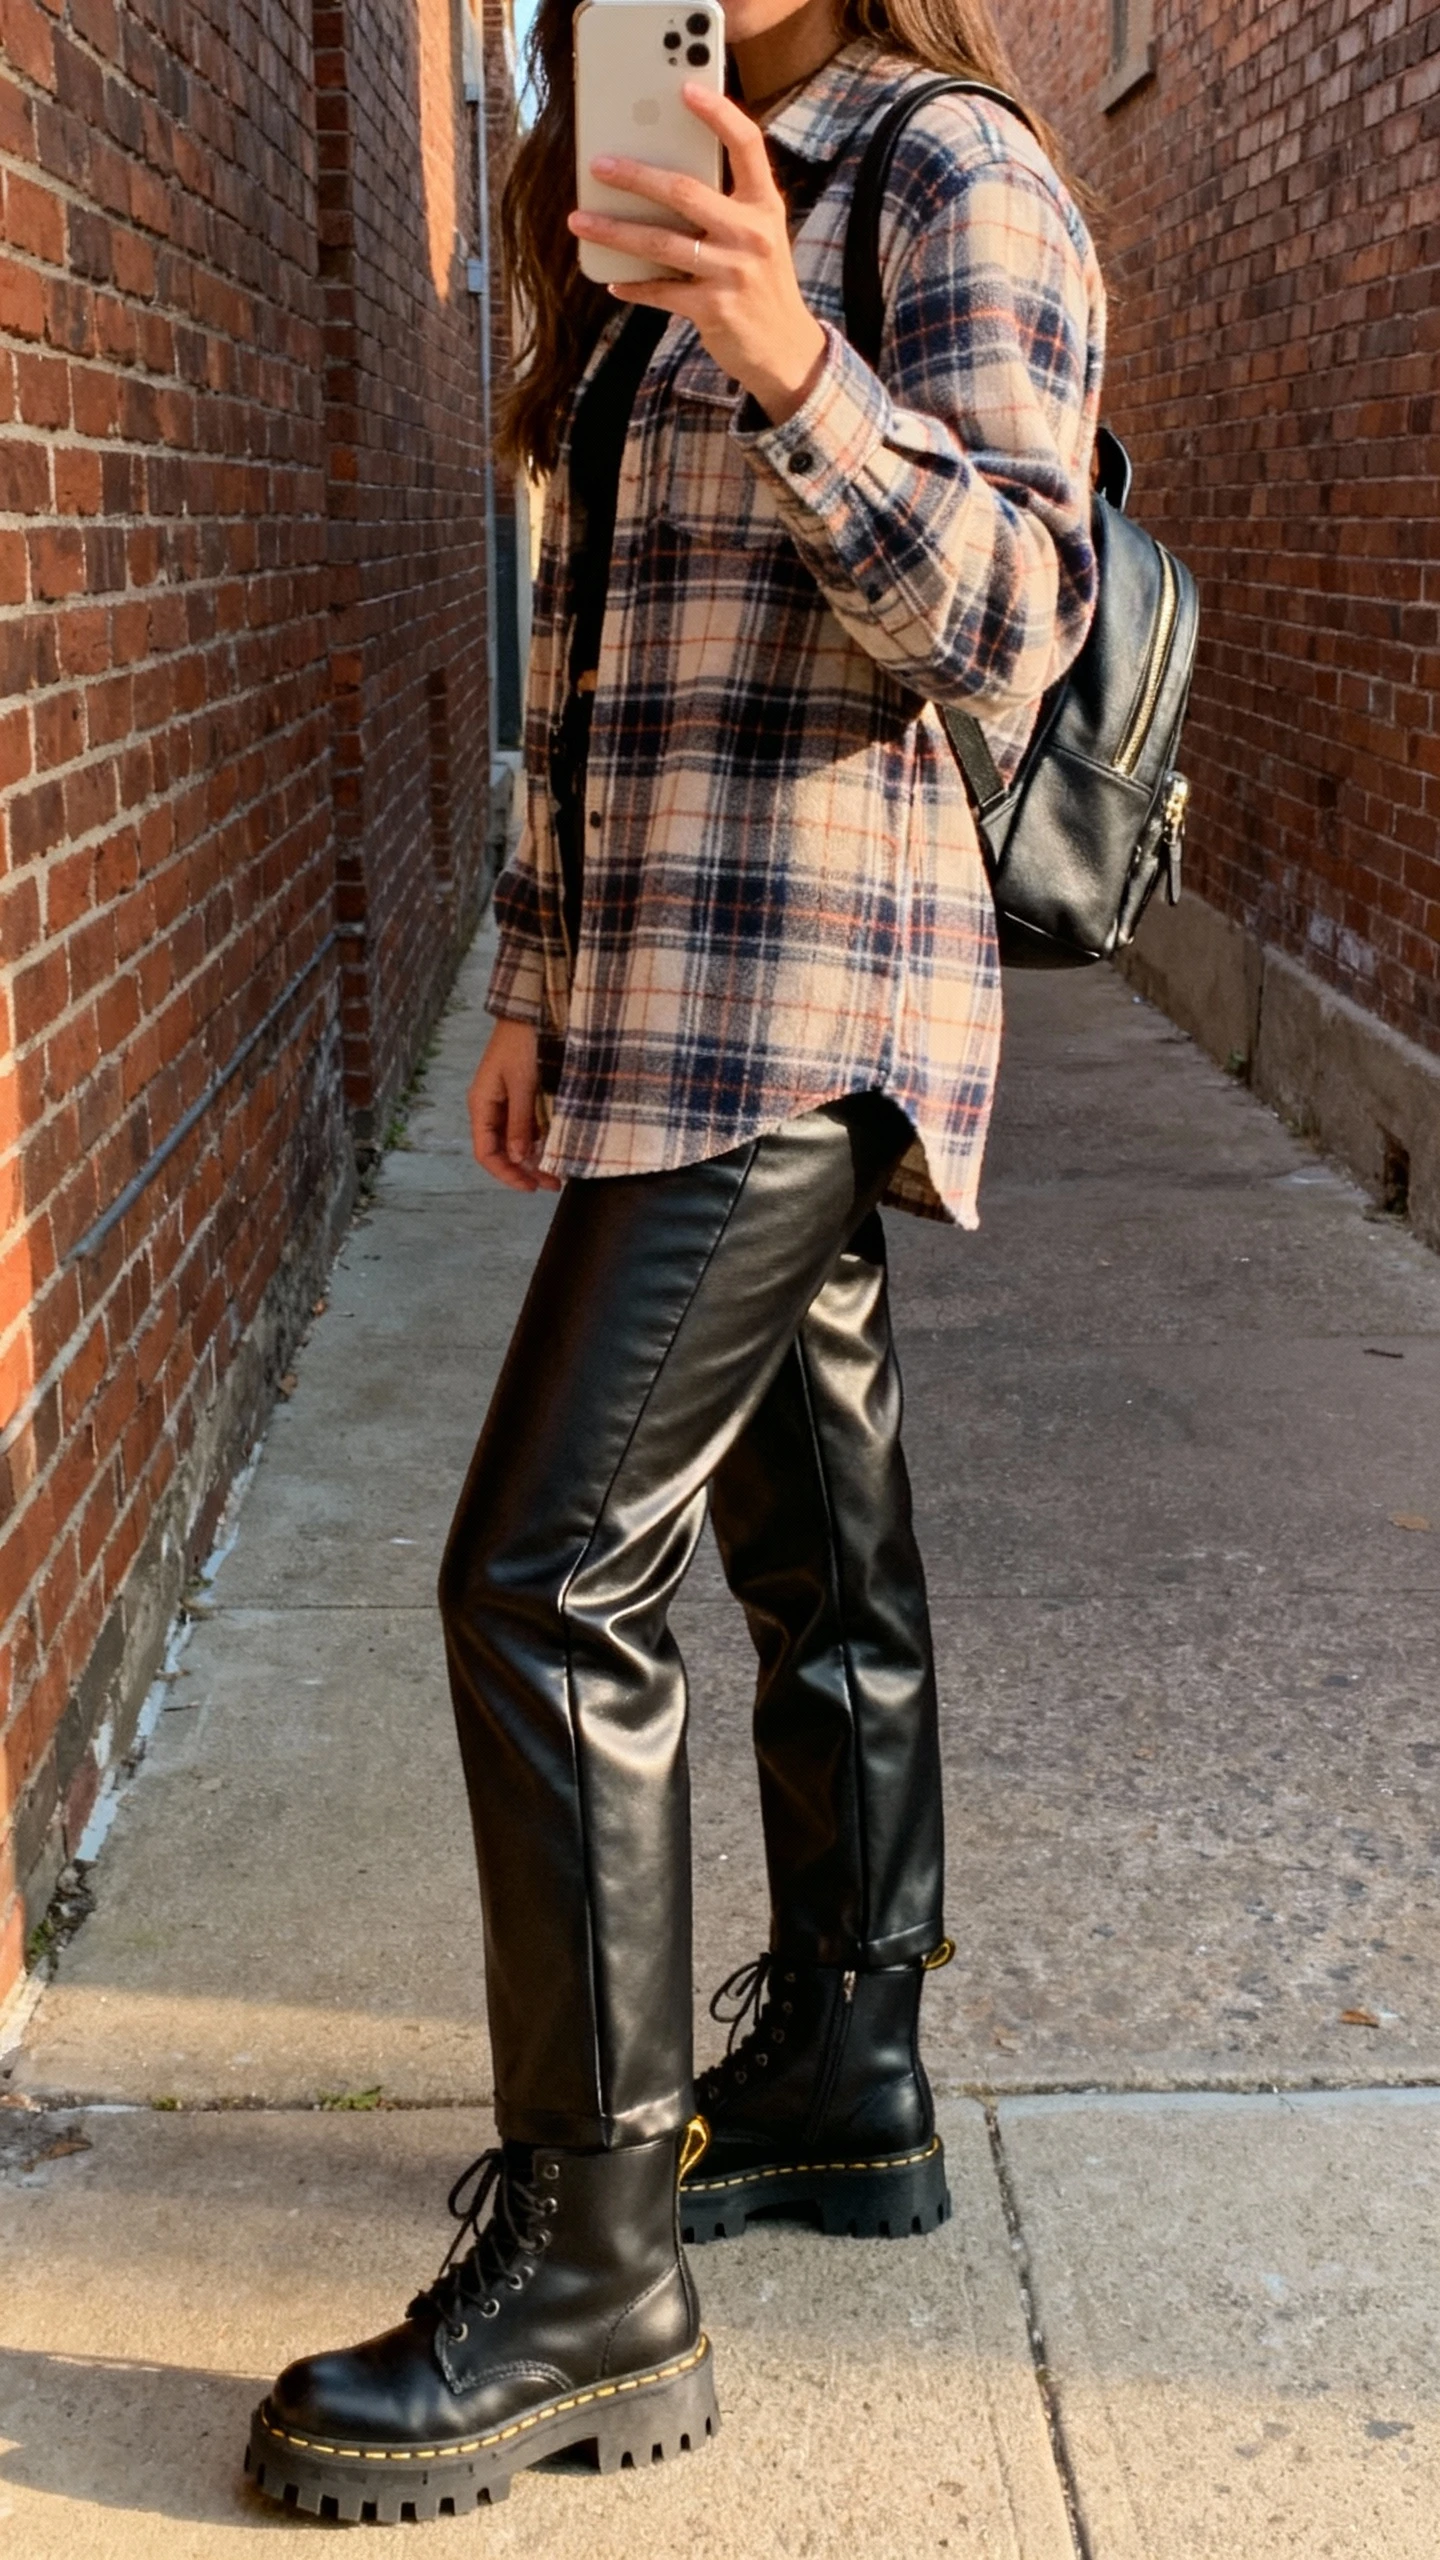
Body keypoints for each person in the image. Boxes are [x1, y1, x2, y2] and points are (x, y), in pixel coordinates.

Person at [246, 0, 1104, 2523]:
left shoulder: (951, 179)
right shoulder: (633, 174)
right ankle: (845, 2067)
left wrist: (785, 350)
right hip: (661, 996)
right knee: (807, 1528)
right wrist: (530, 977)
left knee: (537, 1577)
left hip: (813, 995)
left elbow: (1013, 610)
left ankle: (602, 2273)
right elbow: (602, 654)